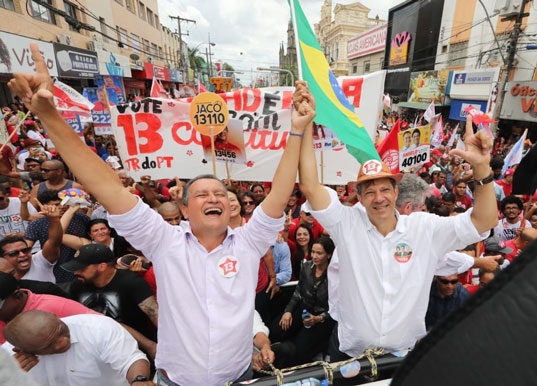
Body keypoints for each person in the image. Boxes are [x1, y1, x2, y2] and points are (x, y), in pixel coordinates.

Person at [8, 45, 312, 385]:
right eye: (201, 194)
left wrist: (298, 129)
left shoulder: (250, 242)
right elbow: (107, 188)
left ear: (230, 207)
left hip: (238, 377)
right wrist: (49, 115)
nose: (214, 198)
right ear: (183, 208)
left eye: (220, 195)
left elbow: (280, 192)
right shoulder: (163, 241)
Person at [294, 81, 497, 361]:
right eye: (370, 191)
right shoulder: (346, 223)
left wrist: (482, 168)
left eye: (386, 189)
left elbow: (483, 222)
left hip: (401, 358)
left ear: (396, 192)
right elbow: (310, 185)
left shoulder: (424, 228)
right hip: (349, 352)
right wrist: (304, 127)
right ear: (360, 198)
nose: (379, 197)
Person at [3, 310, 153, 386]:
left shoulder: (97, 327)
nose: (62, 342)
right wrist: (12, 378)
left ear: (56, 317)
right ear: (20, 350)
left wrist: (139, 380)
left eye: (61, 330)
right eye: (49, 345)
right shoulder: (6, 359)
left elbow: (131, 360)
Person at [62, 243, 158, 342]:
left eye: (82, 268)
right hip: (92, 344)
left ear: (102, 266)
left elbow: (156, 316)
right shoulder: (78, 285)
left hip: (131, 346)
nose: (75, 272)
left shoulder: (132, 282)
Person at [272, 236, 336, 366]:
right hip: (304, 308)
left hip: (324, 318)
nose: (315, 256)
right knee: (276, 330)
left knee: (300, 352)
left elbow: (338, 306)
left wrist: (318, 318)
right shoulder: (306, 266)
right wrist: (288, 311)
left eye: (319, 253)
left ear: (328, 255)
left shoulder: (335, 274)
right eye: (313, 252)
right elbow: (298, 291)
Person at [0, 204, 62, 282]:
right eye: (14, 253)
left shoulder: (40, 260)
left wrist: (54, 220)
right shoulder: (3, 278)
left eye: (25, 250)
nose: (22, 255)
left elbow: (54, 242)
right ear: (2, 258)